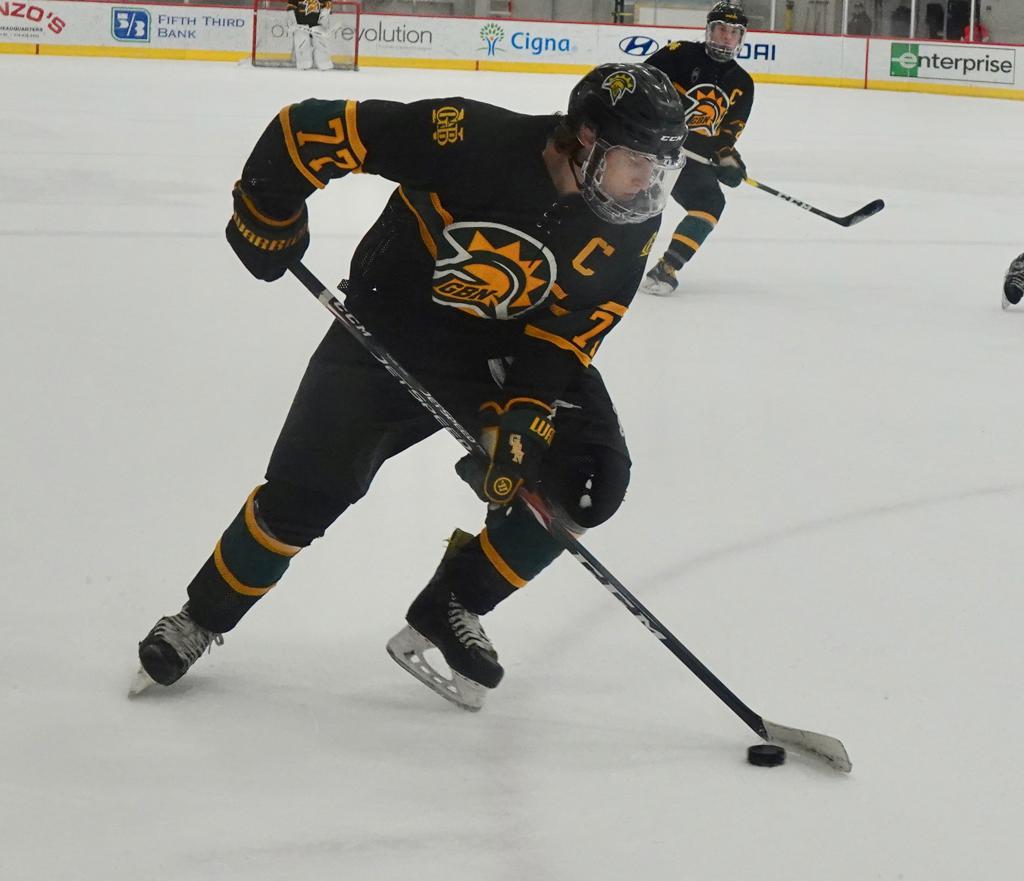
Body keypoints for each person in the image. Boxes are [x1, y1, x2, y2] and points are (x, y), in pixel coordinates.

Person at [131, 63, 688, 711]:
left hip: (505, 351)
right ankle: (200, 617)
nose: (649, 182)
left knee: (588, 480)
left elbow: (575, 326)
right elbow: (308, 130)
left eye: (661, 167)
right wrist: (267, 210)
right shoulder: (469, 136)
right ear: (586, 140)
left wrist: (526, 411)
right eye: (637, 161)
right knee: (304, 495)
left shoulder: (628, 218)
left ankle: (451, 604)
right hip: (392, 331)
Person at [639, 1, 754, 296]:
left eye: (733, 32)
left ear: (741, 38)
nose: (726, 37)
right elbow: (639, 87)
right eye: (721, 29)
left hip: (690, 159)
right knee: (635, 206)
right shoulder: (678, 54)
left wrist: (727, 157)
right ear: (709, 30)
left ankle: (666, 268)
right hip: (650, 149)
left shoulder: (742, 83)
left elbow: (727, 133)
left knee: (710, 203)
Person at [289, 0, 333, 70]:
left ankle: (324, 64)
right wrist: (292, 20)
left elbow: (327, 5)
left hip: (318, 24)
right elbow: (291, 6)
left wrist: (324, 18)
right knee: (302, 43)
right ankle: (303, 64)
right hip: (301, 24)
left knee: (321, 44)